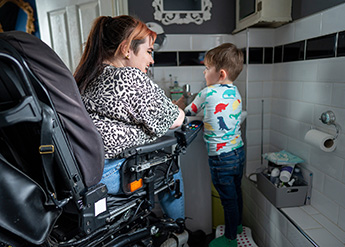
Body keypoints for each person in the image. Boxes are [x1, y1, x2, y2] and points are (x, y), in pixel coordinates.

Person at [73, 15, 186, 220]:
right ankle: (180, 232)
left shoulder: (87, 76)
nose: (151, 60)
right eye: (149, 51)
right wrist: (180, 111)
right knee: (171, 167)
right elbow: (175, 119)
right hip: (106, 173)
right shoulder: (127, 77)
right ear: (126, 49)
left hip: (82, 171)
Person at [184, 43, 245, 247]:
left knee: (227, 200)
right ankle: (236, 227)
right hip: (238, 152)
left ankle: (230, 240)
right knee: (236, 192)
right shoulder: (236, 92)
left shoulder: (207, 93)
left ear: (220, 73)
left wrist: (183, 103)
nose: (204, 71)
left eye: (207, 68)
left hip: (221, 157)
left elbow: (188, 112)